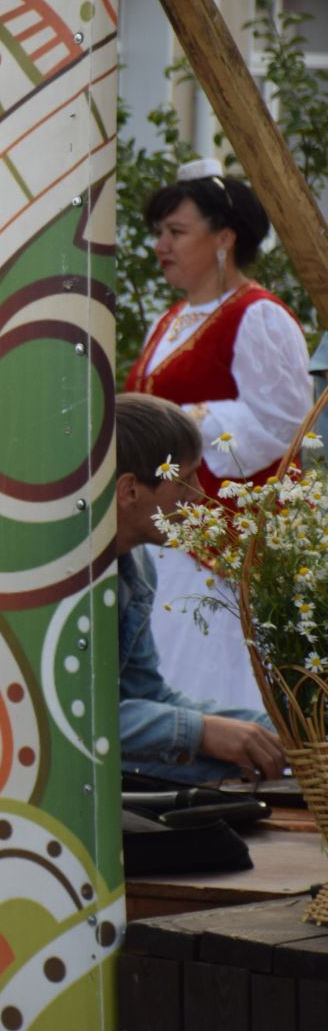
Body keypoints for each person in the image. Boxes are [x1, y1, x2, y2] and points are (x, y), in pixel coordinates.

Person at [126, 158, 313, 711]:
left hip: (223, 540)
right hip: (167, 527)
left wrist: (187, 425)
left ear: (224, 237)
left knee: (209, 663)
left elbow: (284, 422)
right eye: (159, 232)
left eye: (176, 231)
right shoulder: (174, 318)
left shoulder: (260, 316)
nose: (162, 244)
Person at [113, 392, 285, 784]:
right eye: (185, 480)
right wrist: (200, 731)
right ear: (130, 491)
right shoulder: (64, 578)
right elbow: (67, 718)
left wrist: (282, 733)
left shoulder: (136, 564)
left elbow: (148, 696)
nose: (199, 496)